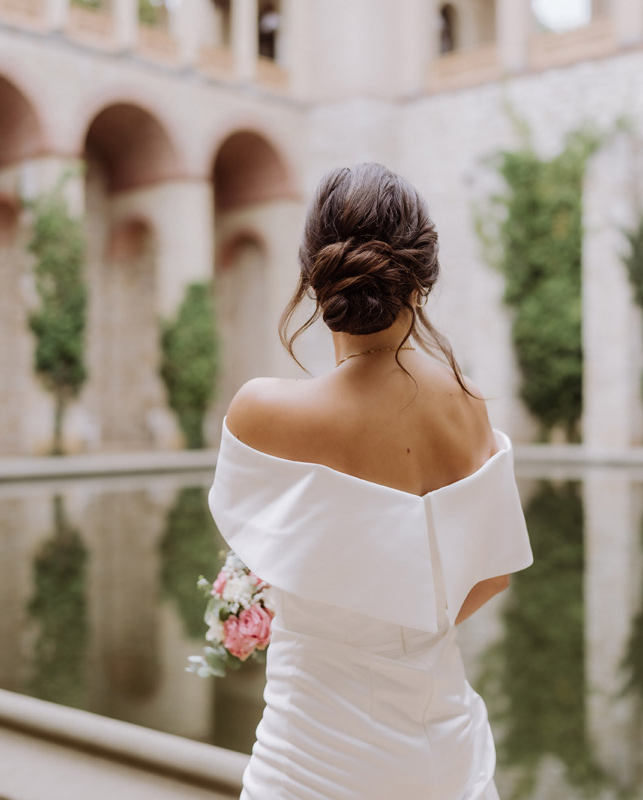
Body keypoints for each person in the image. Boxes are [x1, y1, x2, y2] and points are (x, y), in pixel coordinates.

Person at [207, 162, 535, 799]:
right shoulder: (471, 407)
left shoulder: (261, 411)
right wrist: (404, 630)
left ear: (311, 275)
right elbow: (491, 575)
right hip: (443, 753)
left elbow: (270, 554)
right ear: (425, 278)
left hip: (311, 756)